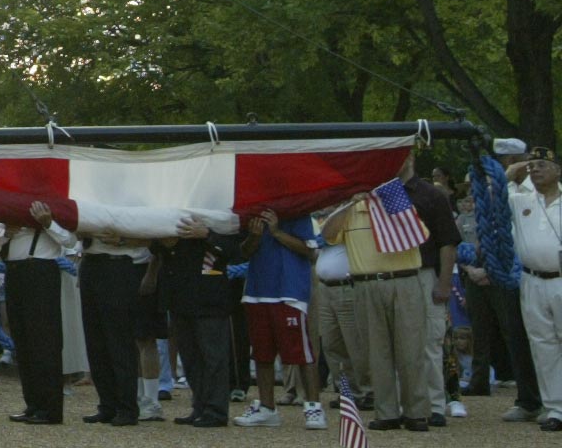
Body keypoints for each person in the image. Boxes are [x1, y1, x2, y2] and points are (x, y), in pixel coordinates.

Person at [322, 163, 435, 433]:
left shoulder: (395, 201)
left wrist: (386, 203)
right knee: (376, 352)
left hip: (403, 279)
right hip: (365, 284)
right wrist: (350, 205)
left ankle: (416, 412)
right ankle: (386, 412)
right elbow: (328, 235)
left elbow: (420, 235)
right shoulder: (350, 212)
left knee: (411, 350)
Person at [236, 206, 325, 428]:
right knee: (262, 353)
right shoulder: (254, 213)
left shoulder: (298, 211)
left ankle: (313, 407)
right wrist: (256, 235)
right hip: (257, 289)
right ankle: (267, 408)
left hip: (289, 289)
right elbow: (244, 252)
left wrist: (276, 232)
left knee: (301, 353)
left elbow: (309, 250)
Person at [1, 201, 78, 426]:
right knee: (22, 340)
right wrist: (6, 232)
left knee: (45, 340)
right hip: (14, 270)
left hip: (41, 270)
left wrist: (47, 223)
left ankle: (51, 408)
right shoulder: (8, 204)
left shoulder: (53, 204)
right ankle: (33, 403)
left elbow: (70, 240)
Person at [506, 146, 562, 431]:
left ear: (557, 170)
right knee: (543, 346)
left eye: (542, 164)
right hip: (532, 280)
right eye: (531, 165)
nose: (535, 169)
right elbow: (493, 201)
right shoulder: (521, 200)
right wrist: (509, 172)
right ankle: (555, 408)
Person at [405, 160, 463, 425]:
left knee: (431, 340)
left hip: (426, 272)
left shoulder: (431, 195)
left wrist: (443, 283)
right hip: (396, 274)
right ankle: (407, 402)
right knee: (402, 343)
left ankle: (435, 404)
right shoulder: (378, 193)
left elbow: (447, 241)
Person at [165, 218, 237, 428]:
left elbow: (234, 250)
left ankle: (216, 410)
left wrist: (207, 234)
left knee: (213, 355)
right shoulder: (178, 214)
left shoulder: (220, 216)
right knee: (190, 356)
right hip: (180, 291)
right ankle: (200, 406)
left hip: (210, 294)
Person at [77, 221, 150, 426]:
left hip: (121, 263)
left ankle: (127, 407)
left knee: (119, 340)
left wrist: (124, 239)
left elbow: (152, 234)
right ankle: (107, 404)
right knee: (95, 340)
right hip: (91, 261)